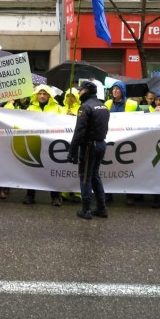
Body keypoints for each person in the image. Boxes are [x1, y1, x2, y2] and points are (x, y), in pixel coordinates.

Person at [67, 81, 110, 220]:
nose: (79, 92)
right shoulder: (103, 106)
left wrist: (72, 151)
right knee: (95, 176)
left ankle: (86, 210)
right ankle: (102, 208)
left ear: (86, 91)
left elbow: (79, 132)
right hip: (101, 144)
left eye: (80, 90)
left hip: (89, 147)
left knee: (85, 177)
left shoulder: (85, 107)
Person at [25, 84, 66, 206]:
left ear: (49, 96)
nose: (42, 96)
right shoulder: (30, 108)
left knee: (53, 170)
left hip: (52, 144)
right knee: (33, 170)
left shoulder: (58, 108)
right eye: (40, 94)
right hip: (35, 142)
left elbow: (66, 121)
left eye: (44, 94)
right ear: (36, 95)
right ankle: (30, 195)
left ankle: (55, 196)